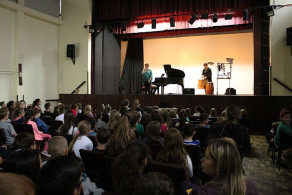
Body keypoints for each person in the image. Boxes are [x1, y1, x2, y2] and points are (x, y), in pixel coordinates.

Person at [181, 137, 258, 195]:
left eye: (207, 157)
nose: (202, 160)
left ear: (219, 165)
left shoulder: (203, 192)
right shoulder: (251, 187)